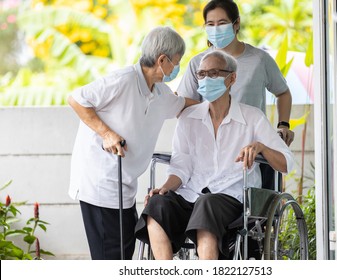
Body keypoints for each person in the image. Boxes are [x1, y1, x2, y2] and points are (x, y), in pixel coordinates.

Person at [135, 50, 294, 260]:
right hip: (192, 195)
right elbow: (181, 166)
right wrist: (165, 188)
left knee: (207, 204)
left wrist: (261, 147)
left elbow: (286, 163)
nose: (206, 79)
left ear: (232, 78)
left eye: (213, 73)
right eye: (201, 74)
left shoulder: (252, 117)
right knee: (157, 204)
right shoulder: (189, 118)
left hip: (232, 199)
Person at [68, 26, 197, 260]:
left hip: (125, 188)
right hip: (100, 183)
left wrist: (217, 104)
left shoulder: (160, 93)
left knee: (125, 253)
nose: (177, 67)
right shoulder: (123, 80)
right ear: (162, 60)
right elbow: (77, 99)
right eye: (177, 62)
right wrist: (106, 133)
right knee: (111, 258)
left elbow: (183, 103)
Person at [177, 0, 295, 146]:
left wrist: (283, 124)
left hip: (251, 145)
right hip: (211, 144)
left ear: (236, 23)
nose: (216, 29)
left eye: (221, 23)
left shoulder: (259, 60)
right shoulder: (197, 63)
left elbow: (283, 92)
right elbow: (183, 105)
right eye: (210, 24)